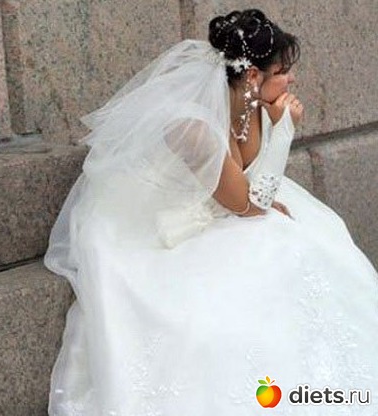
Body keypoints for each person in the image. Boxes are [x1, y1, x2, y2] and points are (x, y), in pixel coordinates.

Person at [45, 9, 378, 415]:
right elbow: (248, 206)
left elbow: (256, 185)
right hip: (161, 228)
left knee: (315, 239)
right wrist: (285, 131)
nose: (291, 80)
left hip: (234, 206)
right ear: (252, 76)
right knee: (276, 251)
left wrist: (274, 130)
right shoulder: (193, 128)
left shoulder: (253, 104)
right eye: (282, 72)